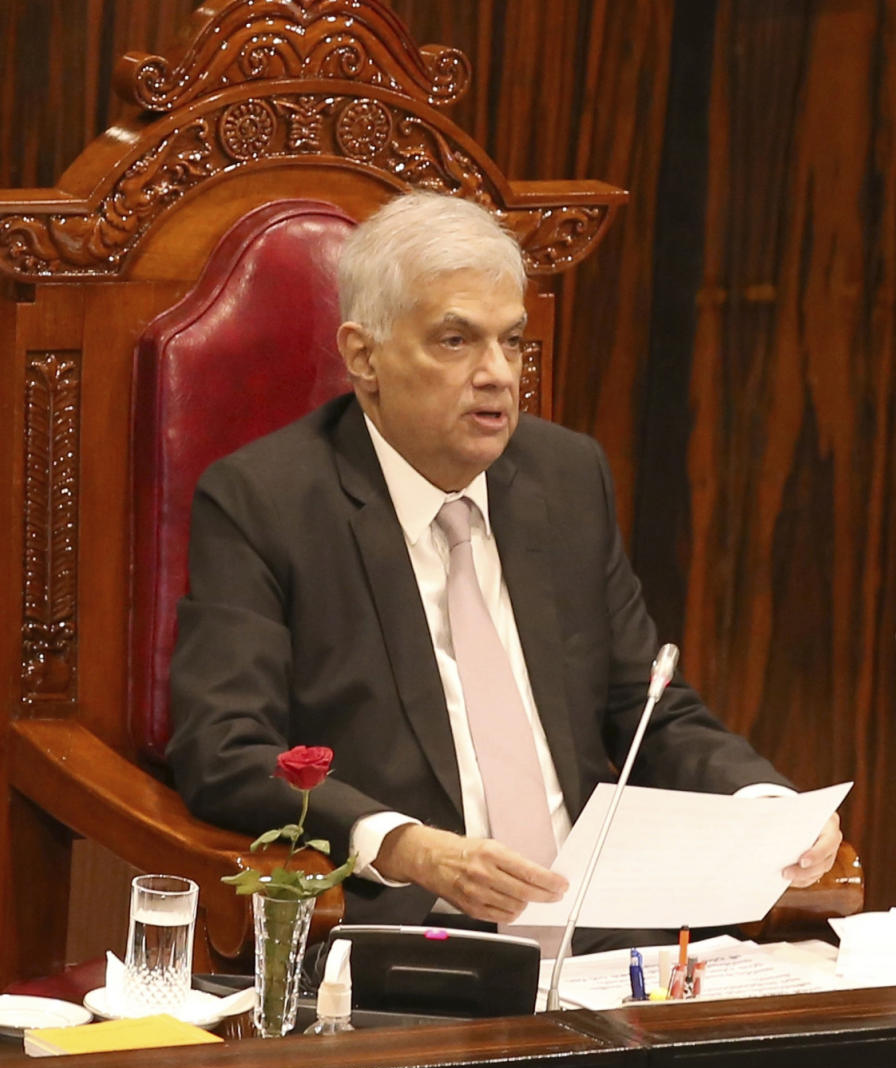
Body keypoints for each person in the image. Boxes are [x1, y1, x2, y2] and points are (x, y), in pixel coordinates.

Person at [167, 191, 841, 947]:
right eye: (456, 341)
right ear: (363, 356)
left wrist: (768, 802)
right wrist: (405, 845)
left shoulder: (565, 475)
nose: (497, 374)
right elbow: (223, 747)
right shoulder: (267, 500)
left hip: (606, 929)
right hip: (418, 943)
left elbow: (648, 706)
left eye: (511, 341)